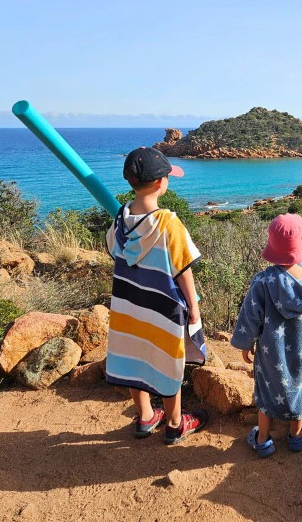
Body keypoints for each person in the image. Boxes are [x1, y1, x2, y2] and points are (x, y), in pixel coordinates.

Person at [106, 146, 207, 444]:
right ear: (161, 183)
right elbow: (182, 269)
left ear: (130, 183)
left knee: (134, 358)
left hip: (129, 306)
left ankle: (146, 416)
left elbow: (114, 251)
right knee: (167, 362)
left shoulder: (120, 221)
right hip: (162, 307)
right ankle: (175, 423)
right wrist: (194, 306)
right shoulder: (168, 223)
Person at [231, 213, 302, 457]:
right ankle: (296, 437)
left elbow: (249, 317)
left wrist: (245, 343)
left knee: (266, 390)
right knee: (299, 387)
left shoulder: (262, 282)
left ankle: (262, 440)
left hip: (270, 351)